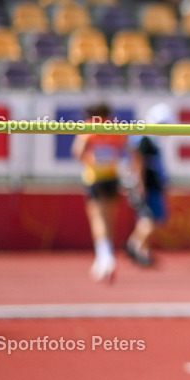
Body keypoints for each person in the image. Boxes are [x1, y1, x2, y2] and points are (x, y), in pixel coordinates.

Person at [72, 103, 128, 283]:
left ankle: (105, 258)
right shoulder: (115, 127)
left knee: (98, 218)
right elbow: (123, 148)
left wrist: (90, 159)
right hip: (112, 176)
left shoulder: (89, 127)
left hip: (95, 177)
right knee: (109, 218)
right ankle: (105, 257)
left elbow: (77, 152)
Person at [124, 104, 173, 267]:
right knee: (150, 219)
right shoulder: (145, 140)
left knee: (148, 219)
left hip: (152, 185)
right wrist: (140, 186)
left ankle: (136, 246)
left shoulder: (149, 139)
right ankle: (136, 247)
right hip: (148, 187)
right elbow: (139, 163)